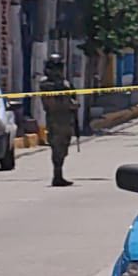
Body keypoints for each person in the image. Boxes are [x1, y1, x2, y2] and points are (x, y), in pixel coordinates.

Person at [40, 54, 79, 187]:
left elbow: (70, 98)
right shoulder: (47, 84)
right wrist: (69, 104)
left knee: (64, 148)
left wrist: (73, 104)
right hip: (55, 120)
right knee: (57, 148)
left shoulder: (65, 83)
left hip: (66, 120)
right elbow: (51, 103)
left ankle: (59, 175)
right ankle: (57, 175)